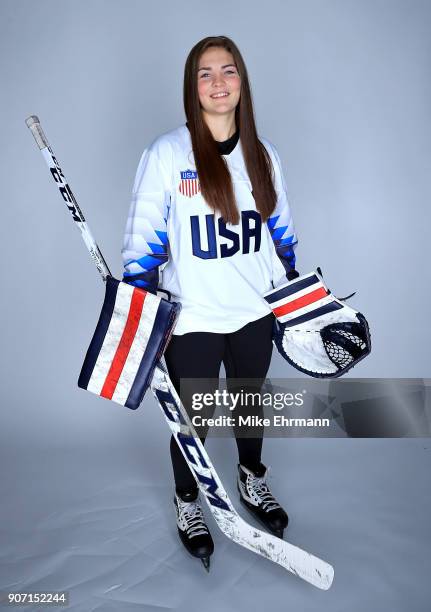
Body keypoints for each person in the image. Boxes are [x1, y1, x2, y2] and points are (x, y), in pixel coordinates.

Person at [121, 35, 299, 570]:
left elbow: (282, 238)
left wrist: (290, 303)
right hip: (192, 316)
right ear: (192, 85)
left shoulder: (263, 155)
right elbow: (142, 240)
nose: (218, 82)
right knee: (191, 421)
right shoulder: (166, 154)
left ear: (242, 82)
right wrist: (142, 306)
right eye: (205, 73)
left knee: (250, 404)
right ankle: (188, 503)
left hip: (253, 313)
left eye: (228, 71)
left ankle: (252, 479)